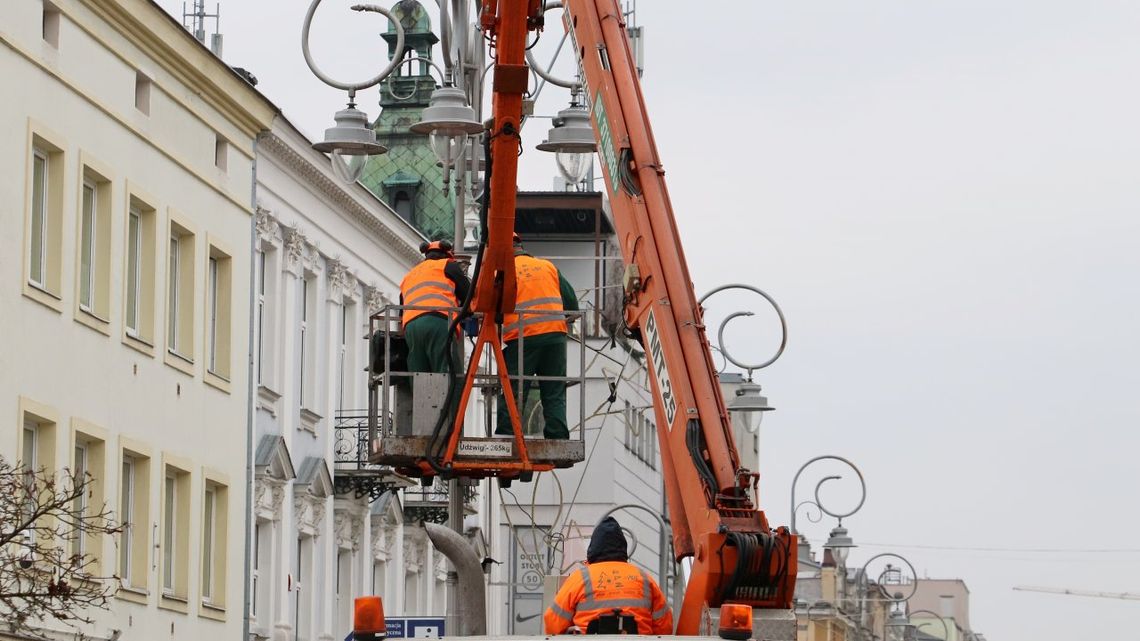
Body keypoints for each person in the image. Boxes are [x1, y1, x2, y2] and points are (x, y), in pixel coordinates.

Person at [495, 233, 578, 439]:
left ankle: (507, 433)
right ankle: (557, 434)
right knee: (553, 388)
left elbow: (492, 309)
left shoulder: (502, 273)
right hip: (555, 336)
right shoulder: (547, 266)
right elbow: (572, 305)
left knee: (514, 387)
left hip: (523, 337)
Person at [544, 517, 673, 635]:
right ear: (623, 547)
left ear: (593, 548)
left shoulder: (579, 578)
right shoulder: (644, 578)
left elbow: (553, 624)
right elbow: (664, 627)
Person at [399, 240, 470, 373]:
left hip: (411, 328)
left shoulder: (410, 275)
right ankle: (452, 394)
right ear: (447, 254)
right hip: (438, 322)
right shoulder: (448, 265)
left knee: (419, 374)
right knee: (450, 374)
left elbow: (401, 307)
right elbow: (468, 294)